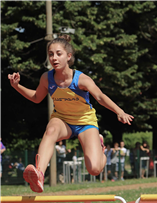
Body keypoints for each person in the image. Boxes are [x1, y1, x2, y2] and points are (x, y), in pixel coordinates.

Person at [8, 35, 133, 193]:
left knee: (94, 169)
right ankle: (39, 173)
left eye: (58, 54)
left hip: (85, 122)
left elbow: (100, 97)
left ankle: (100, 149)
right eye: (51, 54)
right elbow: (36, 97)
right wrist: (16, 86)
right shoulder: (47, 78)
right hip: (62, 120)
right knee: (51, 130)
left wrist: (119, 111)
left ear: (68, 56)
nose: (54, 58)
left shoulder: (82, 80)